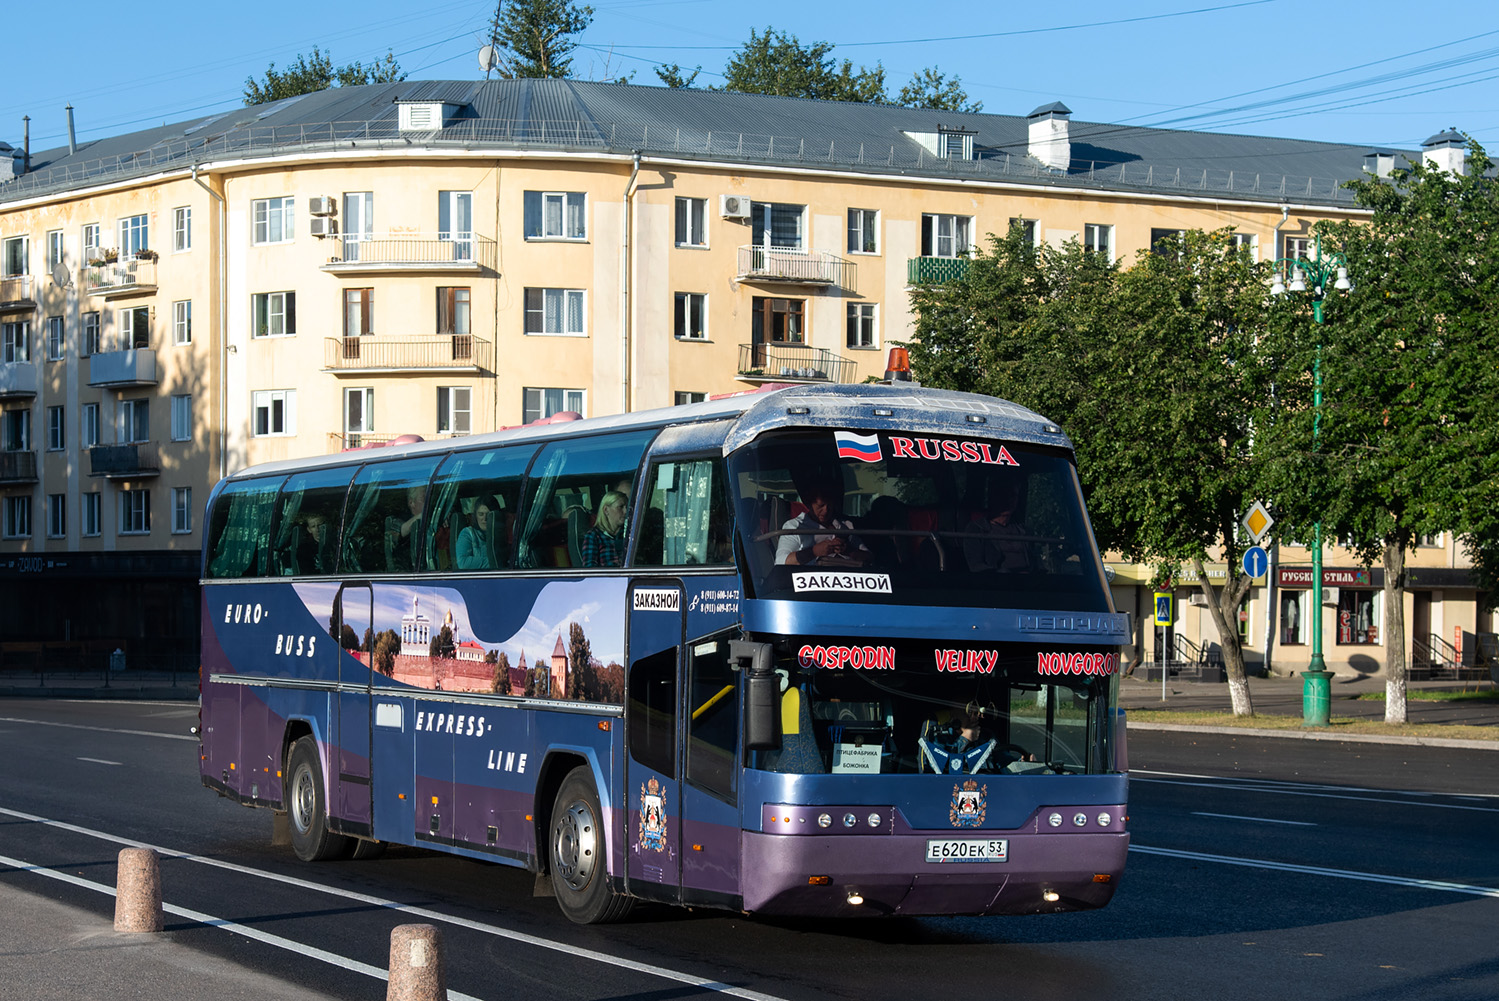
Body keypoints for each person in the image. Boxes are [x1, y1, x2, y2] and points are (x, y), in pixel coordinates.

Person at [775, 480, 869, 566]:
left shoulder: (846, 526)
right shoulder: (795, 527)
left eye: (830, 506)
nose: (825, 511)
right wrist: (814, 552)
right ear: (809, 504)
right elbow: (781, 562)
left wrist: (848, 550)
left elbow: (870, 558)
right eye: (821, 506)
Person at [964, 491, 1031, 572]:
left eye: (1013, 496)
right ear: (993, 497)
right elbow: (976, 566)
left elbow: (1037, 561)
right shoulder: (976, 529)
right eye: (1003, 496)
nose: (1009, 500)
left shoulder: (1023, 530)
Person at [581, 490, 628, 567]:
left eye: (627, 507)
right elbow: (589, 570)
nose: (626, 511)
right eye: (620, 507)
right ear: (606, 510)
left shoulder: (629, 534)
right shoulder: (593, 536)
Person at [456, 500, 493, 570]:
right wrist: (495, 562)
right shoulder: (468, 534)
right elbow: (463, 563)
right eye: (481, 514)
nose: (484, 519)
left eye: (488, 515)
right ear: (476, 516)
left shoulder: (503, 534)